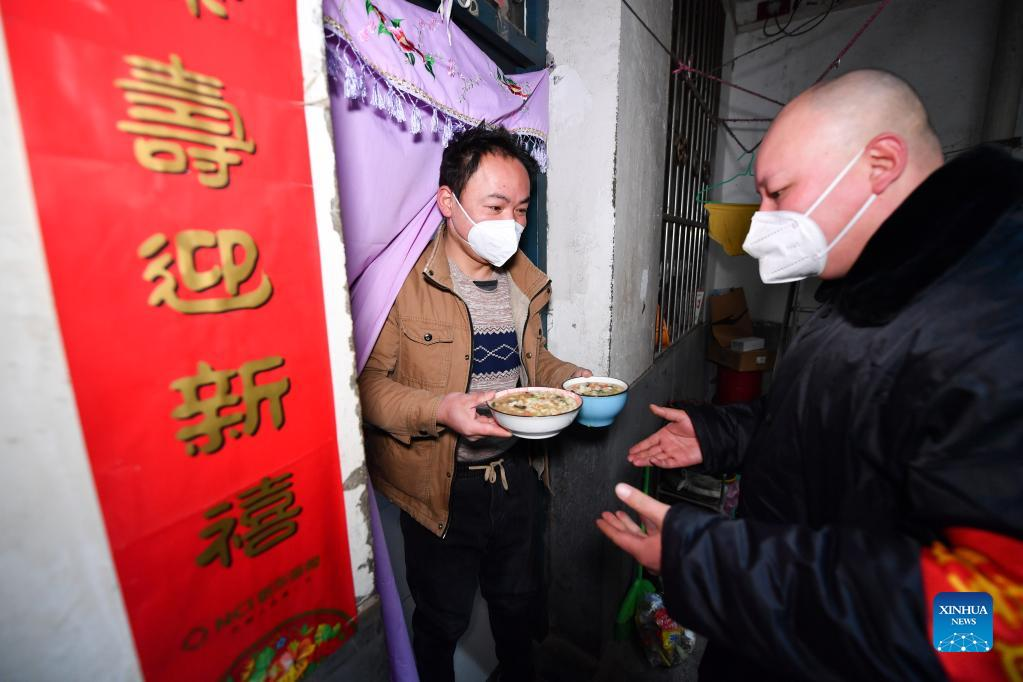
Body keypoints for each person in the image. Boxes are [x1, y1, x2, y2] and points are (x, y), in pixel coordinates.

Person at [598, 69, 1023, 681]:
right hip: (769, 638)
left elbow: (983, 628)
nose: (762, 221)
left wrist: (710, 562)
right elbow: (831, 426)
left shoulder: (996, 321)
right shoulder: (876, 290)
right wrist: (718, 434)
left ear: (880, 164)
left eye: (778, 192)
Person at [359, 124, 591, 682]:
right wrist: (441, 409)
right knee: (441, 620)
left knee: (517, 608)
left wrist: (572, 378)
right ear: (448, 202)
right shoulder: (403, 285)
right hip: (441, 489)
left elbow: (533, 362)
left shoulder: (523, 283)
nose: (512, 223)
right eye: (495, 206)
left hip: (517, 477)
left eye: (522, 209)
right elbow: (368, 390)